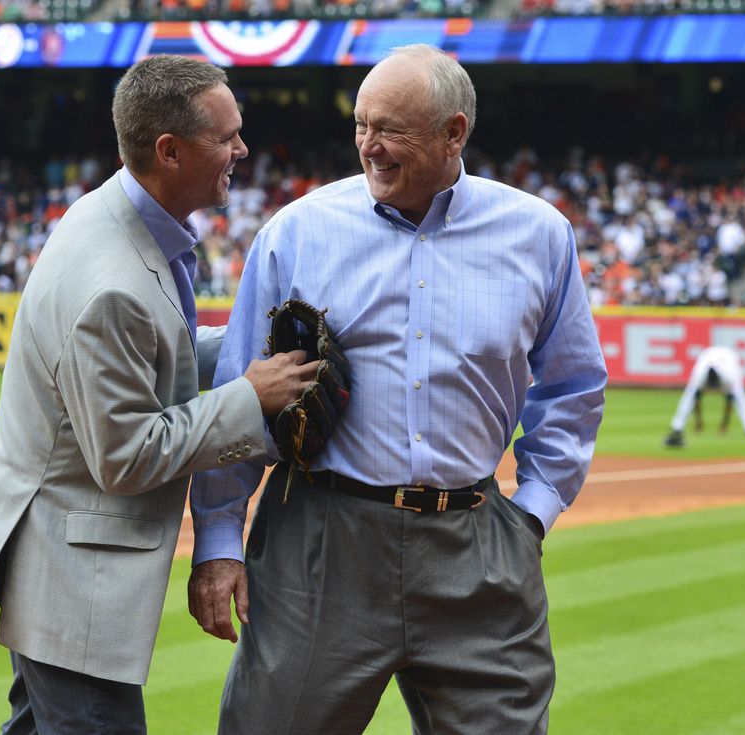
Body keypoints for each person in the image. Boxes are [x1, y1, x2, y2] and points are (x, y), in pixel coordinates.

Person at [187, 44, 608, 734]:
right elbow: (242, 395)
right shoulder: (296, 232)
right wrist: (219, 539)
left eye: (391, 129)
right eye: (361, 125)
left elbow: (572, 386)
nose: (369, 147)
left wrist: (530, 512)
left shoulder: (538, 234)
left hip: (476, 544)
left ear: (455, 132)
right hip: (321, 540)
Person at [0, 55, 320, 735]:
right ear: (169, 151)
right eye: (227, 136)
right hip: (71, 577)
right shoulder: (110, 277)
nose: (243, 149)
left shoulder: (124, 216)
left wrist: (245, 351)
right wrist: (248, 394)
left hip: (57, 560)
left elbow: (160, 352)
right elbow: (125, 455)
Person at [664, 345, 745, 447]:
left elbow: (729, 400)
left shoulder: (729, 376)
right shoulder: (700, 375)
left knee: (740, 396)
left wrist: (724, 425)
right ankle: (677, 426)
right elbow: (696, 398)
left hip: (729, 358)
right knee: (689, 395)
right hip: (707, 356)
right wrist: (698, 422)